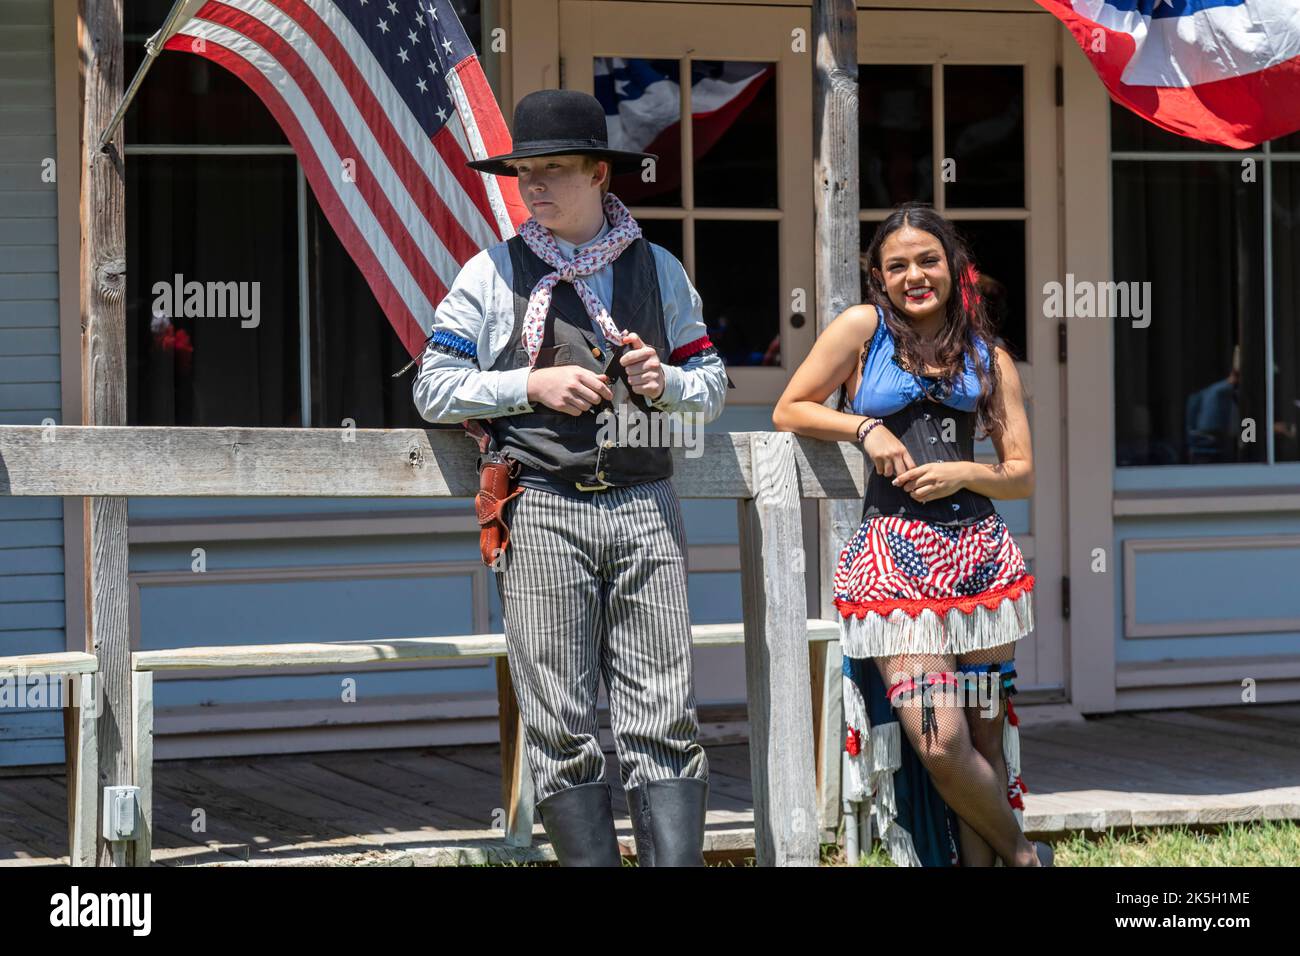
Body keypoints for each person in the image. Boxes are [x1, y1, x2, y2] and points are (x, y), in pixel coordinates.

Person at [411, 89, 729, 866]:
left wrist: (667, 383)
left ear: (600, 175)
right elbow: (433, 385)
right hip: (542, 504)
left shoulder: (658, 270)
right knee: (559, 718)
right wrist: (530, 386)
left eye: (554, 170)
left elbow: (711, 384)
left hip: (645, 503)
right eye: (526, 172)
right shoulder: (492, 272)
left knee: (664, 712)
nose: (537, 186)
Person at [772, 201, 1051, 867]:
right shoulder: (860, 331)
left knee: (984, 736)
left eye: (928, 260)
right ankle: (1024, 856)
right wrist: (865, 427)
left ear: (954, 268)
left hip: (981, 567)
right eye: (897, 266)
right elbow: (791, 406)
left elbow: (1021, 476)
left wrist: (963, 470)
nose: (915, 275)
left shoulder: (991, 357)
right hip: (892, 572)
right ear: (878, 277)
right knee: (937, 736)